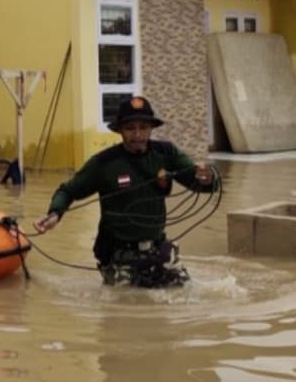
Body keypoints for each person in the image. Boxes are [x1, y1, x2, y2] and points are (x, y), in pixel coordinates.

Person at [32, 96, 218, 288]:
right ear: (119, 130)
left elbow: (199, 181)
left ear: (151, 128)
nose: (137, 134)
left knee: (186, 294)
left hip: (159, 249)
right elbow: (67, 191)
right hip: (118, 254)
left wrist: (208, 177)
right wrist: (55, 213)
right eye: (130, 128)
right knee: (123, 307)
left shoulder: (166, 153)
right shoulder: (103, 164)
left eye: (143, 127)